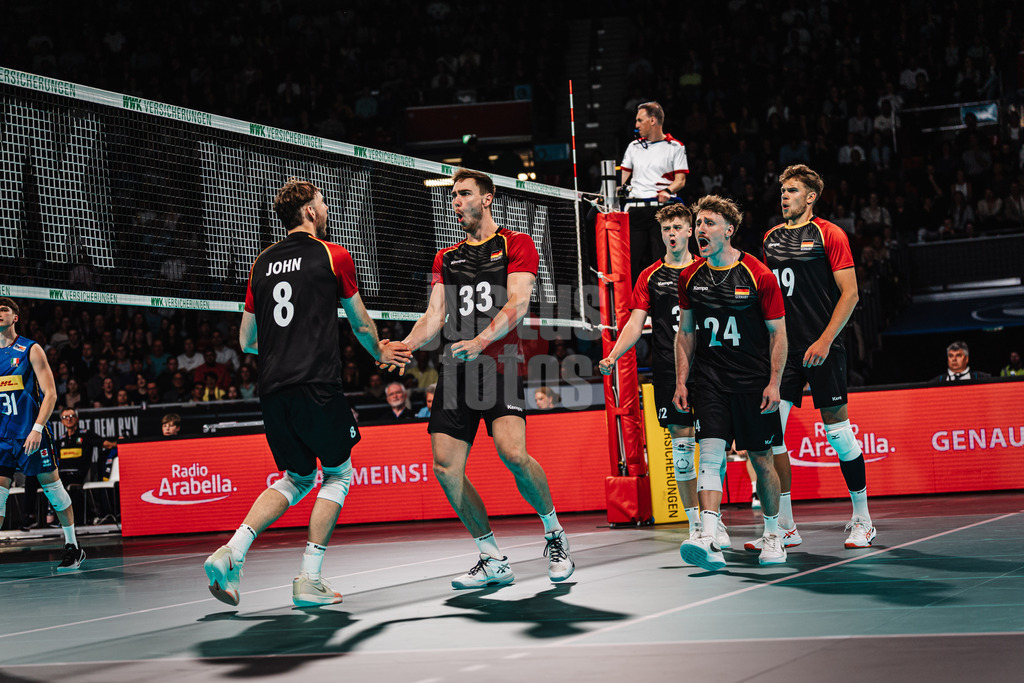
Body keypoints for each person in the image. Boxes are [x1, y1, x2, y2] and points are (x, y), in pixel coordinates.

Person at [204, 178, 410, 607]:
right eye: (323, 201)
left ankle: (232, 551)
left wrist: (285, 341)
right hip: (316, 383)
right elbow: (360, 324)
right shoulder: (332, 255)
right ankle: (308, 578)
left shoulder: (261, 262)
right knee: (338, 474)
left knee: (296, 477)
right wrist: (382, 353)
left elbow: (246, 340)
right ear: (311, 212)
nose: (327, 207)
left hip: (273, 388)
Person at [396, 168, 575, 588]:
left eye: (463, 194)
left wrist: (479, 340)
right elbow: (434, 316)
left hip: (501, 363)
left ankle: (555, 535)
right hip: (458, 369)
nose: (454, 202)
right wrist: (405, 344)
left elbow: (518, 302)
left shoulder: (517, 243)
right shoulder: (446, 256)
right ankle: (492, 557)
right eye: (452, 196)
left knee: (513, 454)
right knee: (445, 467)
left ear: (488, 198)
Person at [757, 164, 876, 553]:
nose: (784, 195)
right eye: (782, 190)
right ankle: (785, 527)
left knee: (839, 436)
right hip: (783, 352)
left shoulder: (830, 234)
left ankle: (863, 519)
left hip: (823, 347)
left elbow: (851, 294)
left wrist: (825, 340)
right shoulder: (771, 239)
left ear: (810, 197)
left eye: (792, 190)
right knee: (771, 436)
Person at [598, 203, 729, 549]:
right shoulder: (649, 276)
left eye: (677, 227)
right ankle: (696, 524)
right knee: (684, 451)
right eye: (666, 228)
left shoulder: (707, 268)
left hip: (710, 369)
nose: (671, 233)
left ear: (690, 231)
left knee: (713, 446)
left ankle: (715, 521)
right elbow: (634, 323)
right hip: (670, 375)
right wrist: (613, 354)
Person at [673, 196, 788, 571]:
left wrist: (774, 382)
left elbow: (778, 334)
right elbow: (685, 333)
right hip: (710, 382)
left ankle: (773, 534)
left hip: (753, 383)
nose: (700, 229)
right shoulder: (690, 276)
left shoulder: (759, 274)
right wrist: (681, 381)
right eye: (698, 223)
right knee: (709, 456)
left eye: (708, 222)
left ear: (728, 229)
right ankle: (708, 535)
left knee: (761, 458)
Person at [0, 298, 87, 571]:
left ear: (15, 317)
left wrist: (37, 428)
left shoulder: (30, 349)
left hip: (30, 433)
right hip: (3, 437)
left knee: (55, 492)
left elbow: (50, 393)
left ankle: (73, 546)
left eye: (4, 310)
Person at [619, 101, 689, 284]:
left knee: (663, 259)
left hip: (662, 210)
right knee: (630, 262)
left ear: (652, 120)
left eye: (640, 120)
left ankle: (665, 300)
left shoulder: (675, 147)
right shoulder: (633, 147)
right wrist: (615, 190)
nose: (636, 125)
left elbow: (680, 180)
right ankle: (634, 305)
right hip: (636, 209)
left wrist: (667, 190)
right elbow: (623, 180)